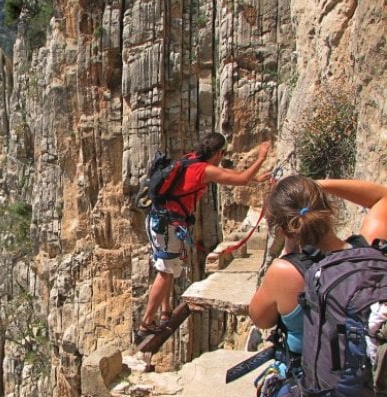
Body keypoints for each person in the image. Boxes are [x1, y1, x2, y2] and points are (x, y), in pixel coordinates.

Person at [136, 133, 271, 339]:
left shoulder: (191, 159)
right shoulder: (204, 170)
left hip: (158, 219)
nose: (222, 157)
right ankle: (146, 322)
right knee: (164, 271)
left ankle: (165, 311)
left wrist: (257, 177)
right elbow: (239, 179)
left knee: (167, 267)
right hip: (168, 226)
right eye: (223, 153)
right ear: (217, 153)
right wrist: (261, 158)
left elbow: (226, 172)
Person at [248, 176, 387, 352]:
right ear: (328, 209)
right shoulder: (371, 249)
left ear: (283, 231)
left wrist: (289, 255)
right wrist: (316, 185)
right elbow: (382, 197)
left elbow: (259, 318)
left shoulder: (283, 273)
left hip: (318, 378)